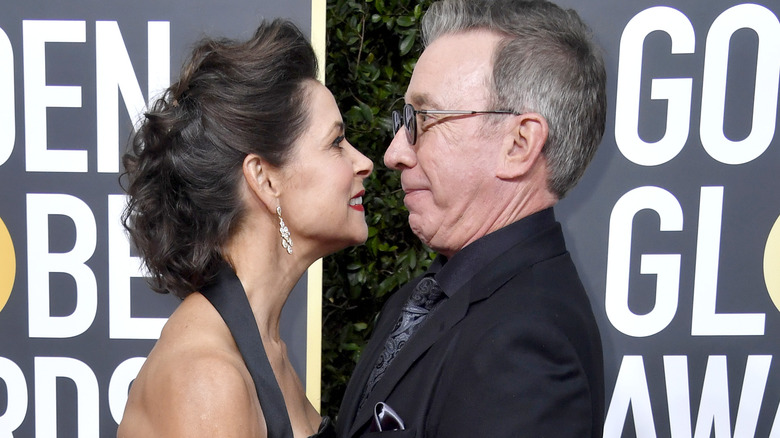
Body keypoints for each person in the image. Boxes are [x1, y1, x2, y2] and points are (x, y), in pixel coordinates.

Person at [336, 0, 606, 436]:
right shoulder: (424, 297)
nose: (393, 154)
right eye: (404, 119)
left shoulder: (527, 346)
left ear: (519, 145)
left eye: (424, 119)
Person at [117, 19, 373, 438]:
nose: (363, 162)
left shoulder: (264, 349)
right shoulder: (207, 379)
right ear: (265, 179)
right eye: (336, 143)